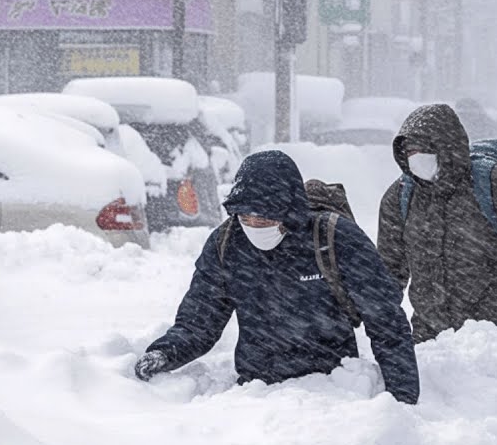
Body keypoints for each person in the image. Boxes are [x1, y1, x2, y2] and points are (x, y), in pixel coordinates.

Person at [134, 150, 420, 404]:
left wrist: (402, 399)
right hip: (257, 394)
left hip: (335, 392)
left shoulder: (334, 238)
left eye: (266, 219)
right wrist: (163, 354)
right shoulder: (226, 245)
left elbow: (386, 323)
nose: (254, 226)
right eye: (246, 218)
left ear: (291, 211)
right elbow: (199, 322)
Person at [377, 104, 497, 344]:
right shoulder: (399, 198)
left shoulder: (494, 183)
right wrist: (380, 313)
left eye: (423, 150)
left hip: (496, 334)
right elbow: (389, 269)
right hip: (430, 335)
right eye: (409, 152)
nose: (416, 159)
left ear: (446, 147)